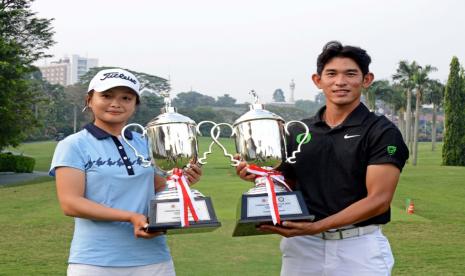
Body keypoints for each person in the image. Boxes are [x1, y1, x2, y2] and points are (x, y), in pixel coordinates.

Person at [236, 41, 409, 275]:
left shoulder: (381, 131)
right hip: (303, 249)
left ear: (366, 80)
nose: (340, 82)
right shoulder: (297, 130)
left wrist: (317, 226)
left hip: (358, 247)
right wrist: (259, 175)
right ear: (318, 81)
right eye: (331, 74)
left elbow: (379, 199)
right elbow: (289, 183)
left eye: (350, 74)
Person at [49, 68, 202, 276]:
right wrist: (131, 217)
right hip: (95, 262)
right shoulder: (74, 145)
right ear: (90, 99)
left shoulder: (147, 143)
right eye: (106, 96)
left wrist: (181, 185)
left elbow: (158, 188)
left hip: (154, 260)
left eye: (126, 98)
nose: (116, 103)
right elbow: (71, 203)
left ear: (134, 105)